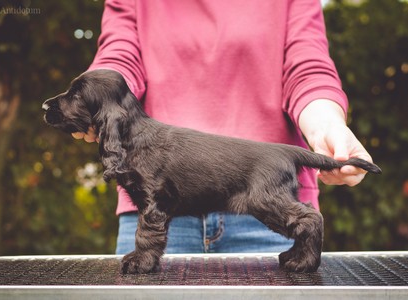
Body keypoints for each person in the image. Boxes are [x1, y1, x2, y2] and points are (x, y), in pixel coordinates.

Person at [72, 0, 373, 254]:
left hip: (264, 210)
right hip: (155, 207)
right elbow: (120, 55)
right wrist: (94, 99)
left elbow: (306, 66)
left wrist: (327, 127)